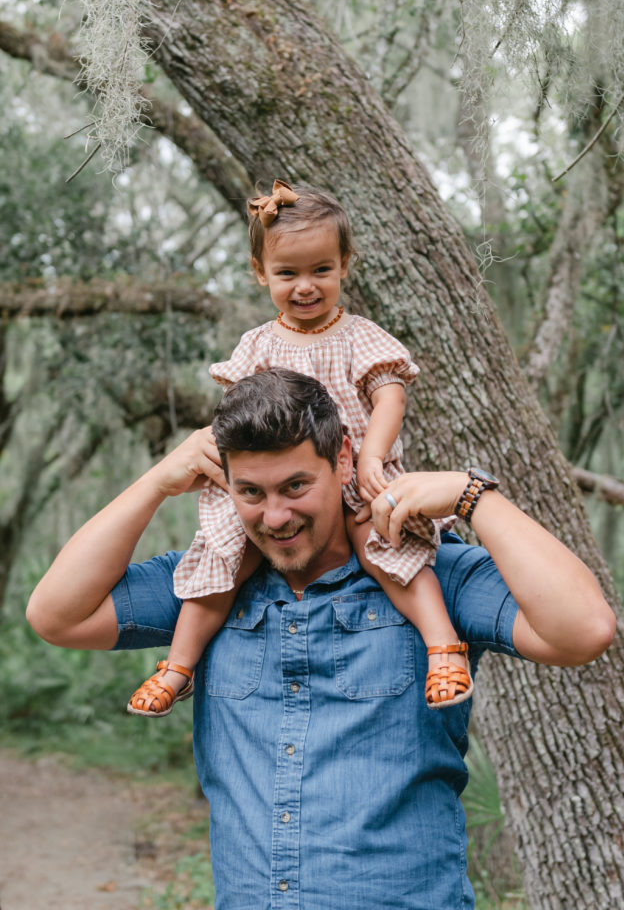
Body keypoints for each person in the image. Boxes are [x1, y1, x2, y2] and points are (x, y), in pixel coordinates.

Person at [27, 367, 616, 910]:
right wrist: (157, 481)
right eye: (250, 492)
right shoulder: (204, 588)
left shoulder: (429, 574)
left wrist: (473, 497)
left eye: (295, 486)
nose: (275, 517)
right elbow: (58, 616)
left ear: (342, 458)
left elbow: (582, 630)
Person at [127, 180, 471, 718]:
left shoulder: (359, 336)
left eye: (321, 271)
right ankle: (178, 665)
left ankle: (442, 646)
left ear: (344, 265)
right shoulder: (258, 345)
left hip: (354, 477)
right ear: (260, 273)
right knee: (222, 557)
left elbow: (389, 398)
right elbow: (235, 418)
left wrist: (371, 459)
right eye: (287, 273)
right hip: (278, 486)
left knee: (385, 547)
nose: (305, 287)